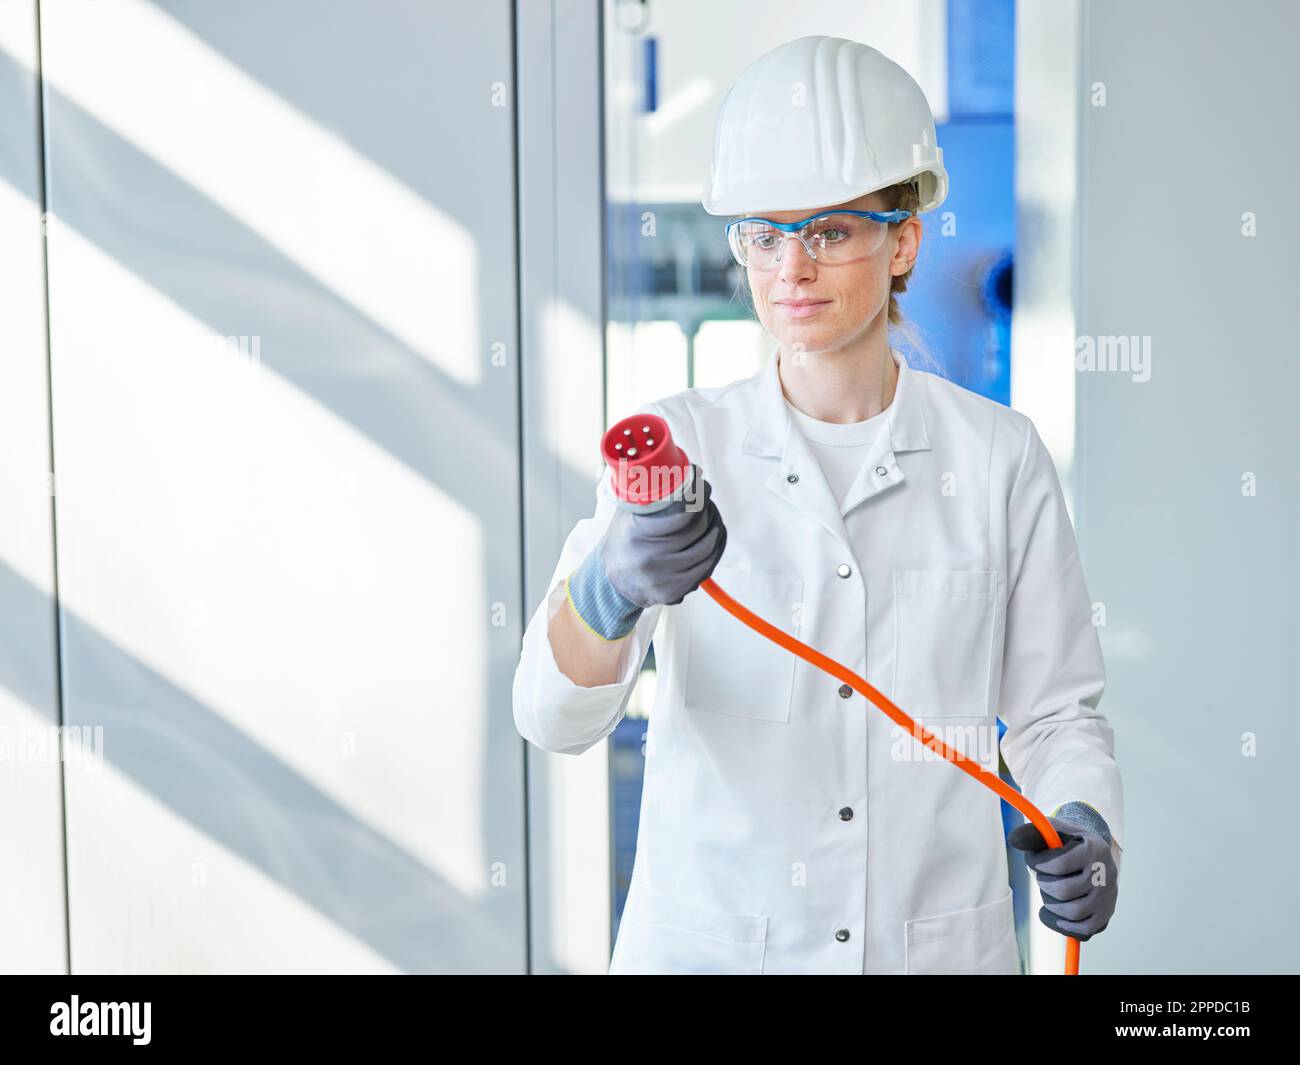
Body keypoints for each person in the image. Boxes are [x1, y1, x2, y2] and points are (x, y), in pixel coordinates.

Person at [512, 35, 1122, 974]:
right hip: (713, 949)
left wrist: (1083, 816)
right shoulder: (679, 446)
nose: (791, 267)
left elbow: (1053, 714)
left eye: (830, 231)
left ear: (904, 240)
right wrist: (609, 589)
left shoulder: (999, 457)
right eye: (764, 233)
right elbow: (554, 719)